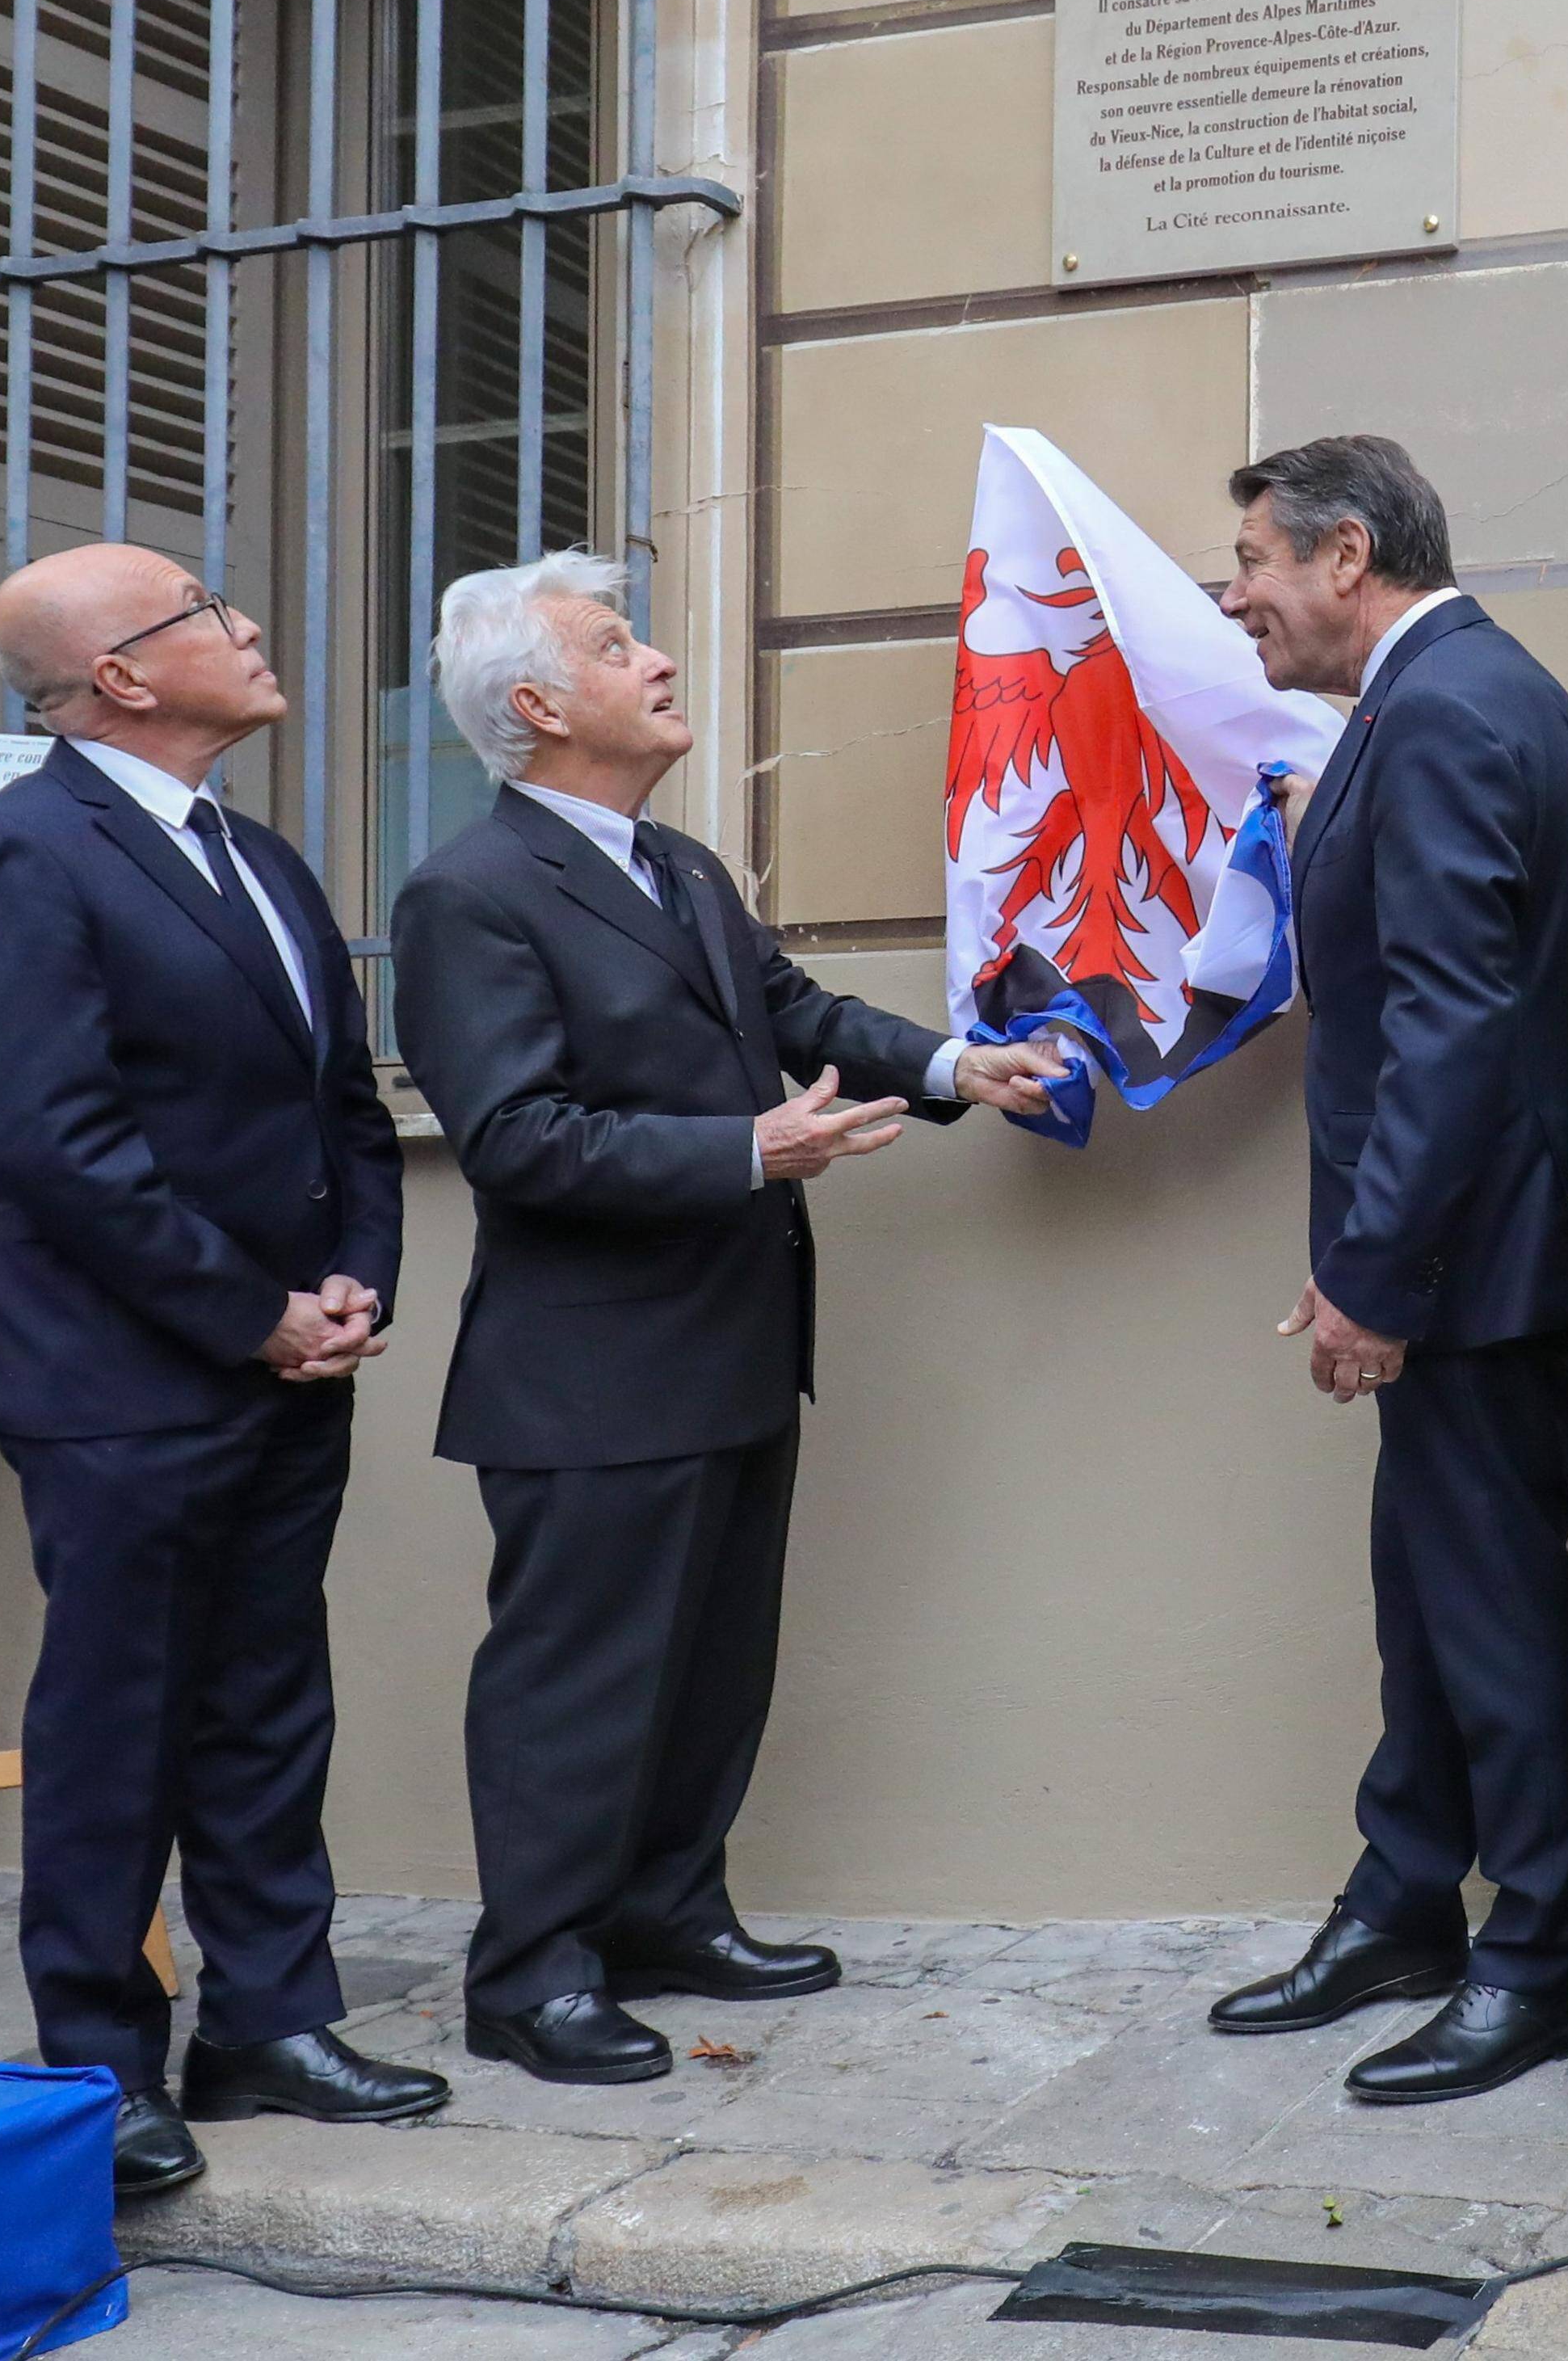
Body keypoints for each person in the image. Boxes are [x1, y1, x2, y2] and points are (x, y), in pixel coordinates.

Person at [389, 553, 1070, 2087]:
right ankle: (534, 1974)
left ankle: (667, 1910)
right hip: (589, 1370)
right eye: (619, 646)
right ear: (539, 703)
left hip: (736, 1345)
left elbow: (801, 1013)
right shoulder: (466, 892)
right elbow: (515, 1137)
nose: (661, 661)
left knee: (708, 1661)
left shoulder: (679, 865)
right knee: (579, 1681)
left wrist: (962, 1067)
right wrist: (744, 1149)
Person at [0, 545, 448, 2199]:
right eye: (211, 608)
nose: (254, 619)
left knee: (270, 1696)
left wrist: (355, 1276)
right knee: (118, 1715)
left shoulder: (261, 858)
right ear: (124, 676)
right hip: (117, 1369)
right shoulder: (4, 855)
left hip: (287, 1356)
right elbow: (56, 1146)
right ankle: (97, 2061)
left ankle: (271, 2020)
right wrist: (249, 1310)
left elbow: (342, 1104)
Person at [1206, 436, 1568, 2103]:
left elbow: (1454, 1018)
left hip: (1459, 1259)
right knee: (1431, 1594)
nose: (1235, 593)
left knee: (1495, 1608)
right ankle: (1405, 1897)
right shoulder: (1449, 695)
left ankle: (1542, 1941)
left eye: (1253, 560)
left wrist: (1371, 1270)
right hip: (1462, 1247)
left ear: (1346, 550)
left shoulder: (1442, 709)